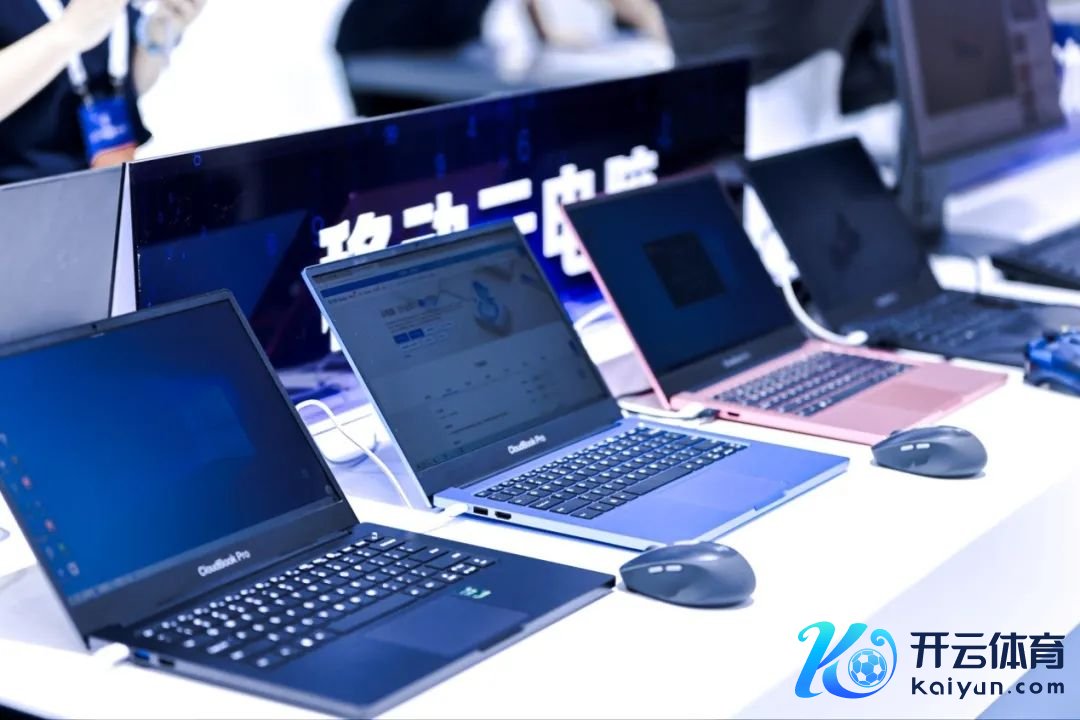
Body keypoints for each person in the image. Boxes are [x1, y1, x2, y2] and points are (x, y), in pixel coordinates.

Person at [0, 0, 206, 184]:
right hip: (20, 193)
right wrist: (68, 32)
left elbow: (126, 85)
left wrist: (159, 32)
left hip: (106, 183)